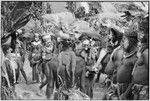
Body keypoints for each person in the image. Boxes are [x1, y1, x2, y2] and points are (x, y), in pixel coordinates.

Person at [105, 30, 138, 100]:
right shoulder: (125, 54)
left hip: (126, 91)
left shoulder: (135, 57)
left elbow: (134, 80)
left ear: (131, 41)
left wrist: (125, 94)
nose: (122, 43)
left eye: (124, 40)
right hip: (117, 87)